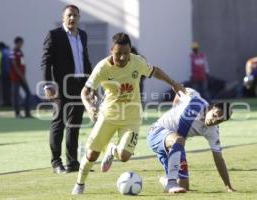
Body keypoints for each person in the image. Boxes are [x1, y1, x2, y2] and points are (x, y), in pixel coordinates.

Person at [71, 32, 185, 195]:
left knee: (124, 156)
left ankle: (111, 150)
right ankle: (80, 184)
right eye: (118, 54)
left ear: (130, 50)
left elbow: (154, 71)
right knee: (92, 154)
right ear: (111, 50)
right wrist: (89, 106)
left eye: (126, 53)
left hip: (131, 117)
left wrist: (173, 83)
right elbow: (86, 91)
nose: (123, 58)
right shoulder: (102, 68)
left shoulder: (137, 61)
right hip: (108, 116)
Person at [147, 88, 236, 193]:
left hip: (175, 147)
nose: (214, 121)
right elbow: (178, 89)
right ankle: (170, 182)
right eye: (215, 115)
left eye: (220, 121)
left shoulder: (213, 131)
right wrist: (175, 107)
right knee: (179, 139)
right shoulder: (194, 99)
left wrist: (228, 186)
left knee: (183, 188)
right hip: (156, 133)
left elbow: (219, 159)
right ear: (211, 108)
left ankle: (166, 181)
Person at [41, 4, 92, 174]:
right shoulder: (54, 35)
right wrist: (48, 85)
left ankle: (72, 163)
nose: (72, 18)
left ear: (79, 18)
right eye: (69, 15)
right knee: (59, 123)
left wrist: (91, 84)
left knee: (74, 125)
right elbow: (46, 62)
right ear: (63, 17)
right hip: (61, 86)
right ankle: (56, 162)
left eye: (75, 15)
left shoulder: (83, 35)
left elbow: (86, 60)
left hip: (80, 86)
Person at [9, 36, 32, 118]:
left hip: (22, 76)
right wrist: (22, 75)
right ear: (17, 43)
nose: (21, 45)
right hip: (15, 77)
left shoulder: (20, 52)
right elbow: (14, 65)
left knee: (28, 93)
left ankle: (27, 113)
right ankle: (17, 113)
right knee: (15, 95)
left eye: (22, 43)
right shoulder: (13, 52)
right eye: (20, 43)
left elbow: (22, 64)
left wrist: (23, 75)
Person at [0, 42, 11, 106]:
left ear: (0, 47)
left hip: (4, 72)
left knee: (4, 88)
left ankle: (5, 102)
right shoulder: (10, 52)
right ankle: (10, 101)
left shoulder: (2, 53)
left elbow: (0, 63)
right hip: (11, 73)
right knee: (10, 88)